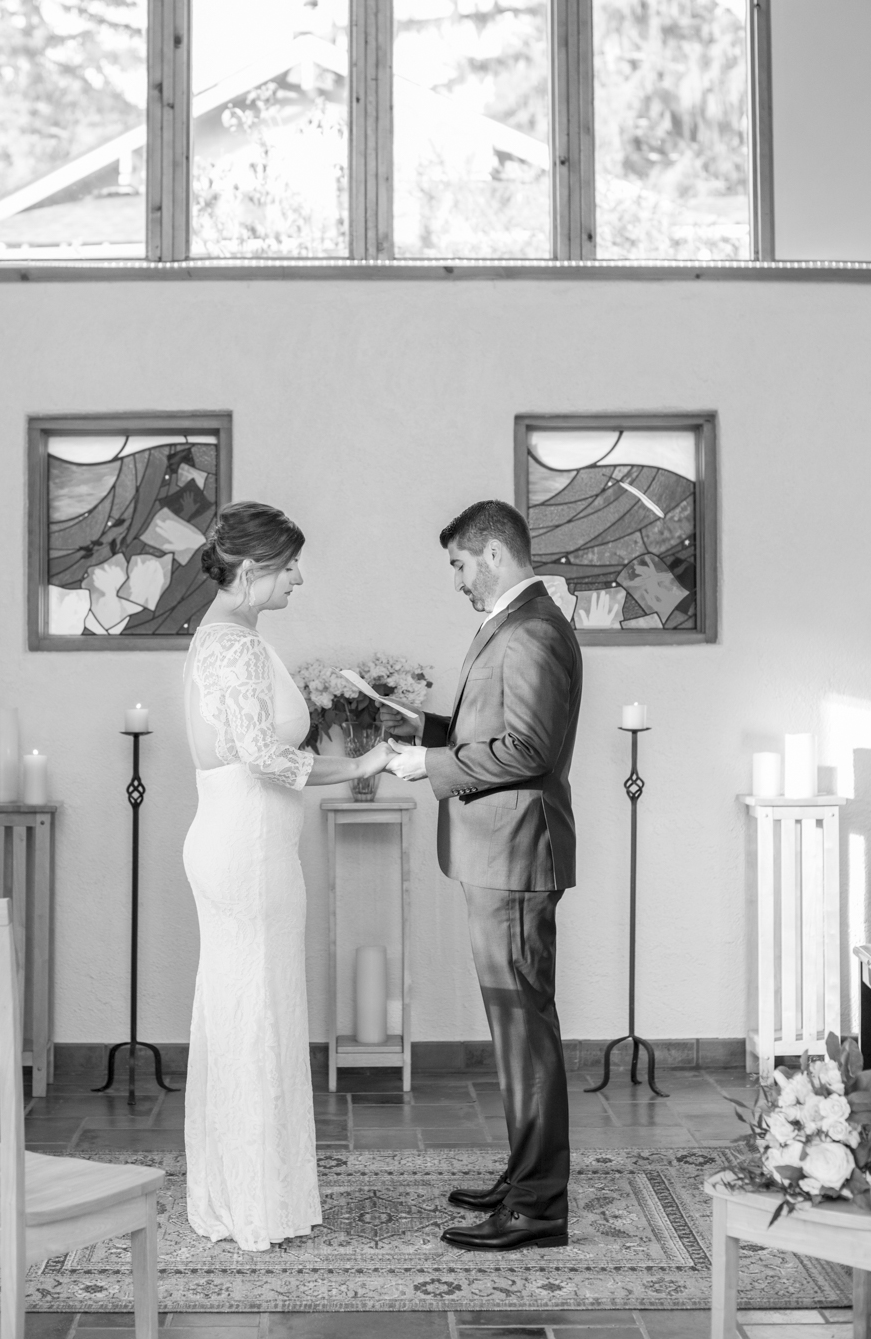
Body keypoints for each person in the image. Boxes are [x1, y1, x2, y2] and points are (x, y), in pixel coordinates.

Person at [183, 501, 393, 1252]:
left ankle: (249, 1193)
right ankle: (251, 1204)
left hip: (246, 839)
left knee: (253, 1008)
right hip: (246, 846)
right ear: (249, 571)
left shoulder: (233, 635)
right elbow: (264, 757)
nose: (300, 578)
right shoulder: (232, 644)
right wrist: (365, 762)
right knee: (255, 1011)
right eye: (289, 565)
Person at [383, 499, 583, 1252]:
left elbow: (528, 750)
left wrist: (427, 767)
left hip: (515, 852)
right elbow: (495, 729)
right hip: (497, 850)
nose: (458, 580)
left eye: (460, 564)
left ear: (494, 552)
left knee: (524, 1030)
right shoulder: (514, 622)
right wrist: (426, 731)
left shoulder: (531, 629)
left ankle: (537, 1207)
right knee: (514, 1030)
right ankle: (524, 1177)